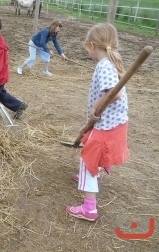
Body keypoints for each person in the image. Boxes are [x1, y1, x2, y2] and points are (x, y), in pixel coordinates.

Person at [66, 23, 129, 222]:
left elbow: (115, 93)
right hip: (112, 122)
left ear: (92, 45)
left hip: (106, 124)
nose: (88, 53)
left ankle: (89, 209)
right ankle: (97, 173)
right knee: (93, 149)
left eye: (88, 49)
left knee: (87, 161)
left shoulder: (104, 65)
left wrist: (96, 107)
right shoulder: (111, 62)